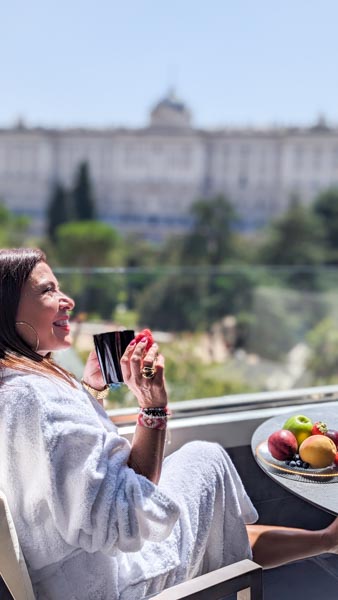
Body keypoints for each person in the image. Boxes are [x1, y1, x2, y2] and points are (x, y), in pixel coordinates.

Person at [0, 247, 338, 600]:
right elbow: (128, 518)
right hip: (111, 586)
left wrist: (92, 391)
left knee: (204, 466)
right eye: (47, 290)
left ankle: (327, 540)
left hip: (62, 577)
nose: (66, 299)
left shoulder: (14, 386)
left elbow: (67, 473)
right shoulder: (39, 397)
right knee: (207, 462)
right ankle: (327, 541)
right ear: (6, 309)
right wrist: (153, 407)